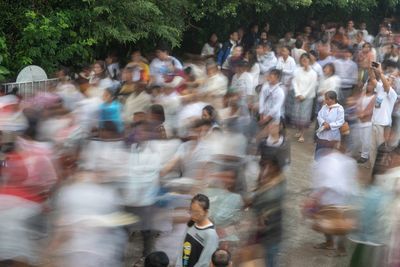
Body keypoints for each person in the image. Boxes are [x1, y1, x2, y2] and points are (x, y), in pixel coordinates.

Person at [253, 138, 287, 267]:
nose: (266, 168)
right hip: (263, 232)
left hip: (271, 232)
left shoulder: (277, 185)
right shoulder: (269, 178)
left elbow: (267, 205)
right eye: (264, 165)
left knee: (269, 261)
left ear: (276, 167)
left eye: (269, 165)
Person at [176, 194, 219, 267]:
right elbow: (182, 250)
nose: (193, 215)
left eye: (197, 212)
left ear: (206, 212)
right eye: (191, 211)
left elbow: (204, 263)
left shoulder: (210, 234)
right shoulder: (191, 225)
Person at [369, 63, 398, 168]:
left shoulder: (392, 94)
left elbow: (386, 85)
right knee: (372, 148)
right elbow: (372, 79)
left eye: (389, 79)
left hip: (383, 125)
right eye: (387, 78)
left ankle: (378, 169)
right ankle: (373, 167)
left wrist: (380, 72)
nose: (387, 80)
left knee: (380, 149)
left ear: (392, 83)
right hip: (374, 122)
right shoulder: (380, 89)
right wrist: (370, 68)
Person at [292, 53, 318, 143]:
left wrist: (304, 95)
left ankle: (302, 134)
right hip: (298, 96)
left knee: (304, 116)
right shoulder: (297, 70)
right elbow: (294, 82)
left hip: (308, 97)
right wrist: (298, 93)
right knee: (297, 114)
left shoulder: (313, 73)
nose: (304, 61)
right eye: (302, 59)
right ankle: (299, 131)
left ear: (309, 61)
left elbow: (312, 86)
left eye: (306, 59)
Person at [315, 91, 345, 159]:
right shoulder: (324, 107)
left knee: (327, 155)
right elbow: (319, 116)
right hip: (322, 134)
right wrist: (323, 123)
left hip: (332, 135)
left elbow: (340, 121)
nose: (325, 101)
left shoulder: (339, 109)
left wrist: (330, 125)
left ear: (333, 99)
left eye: (327, 99)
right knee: (318, 153)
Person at [355, 81, 376, 164]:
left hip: (368, 121)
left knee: (366, 139)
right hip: (360, 119)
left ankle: (365, 156)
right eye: (369, 85)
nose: (369, 86)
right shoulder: (363, 95)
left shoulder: (375, 97)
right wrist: (360, 113)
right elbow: (358, 104)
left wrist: (364, 114)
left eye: (372, 85)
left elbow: (372, 109)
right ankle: (363, 152)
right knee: (361, 138)